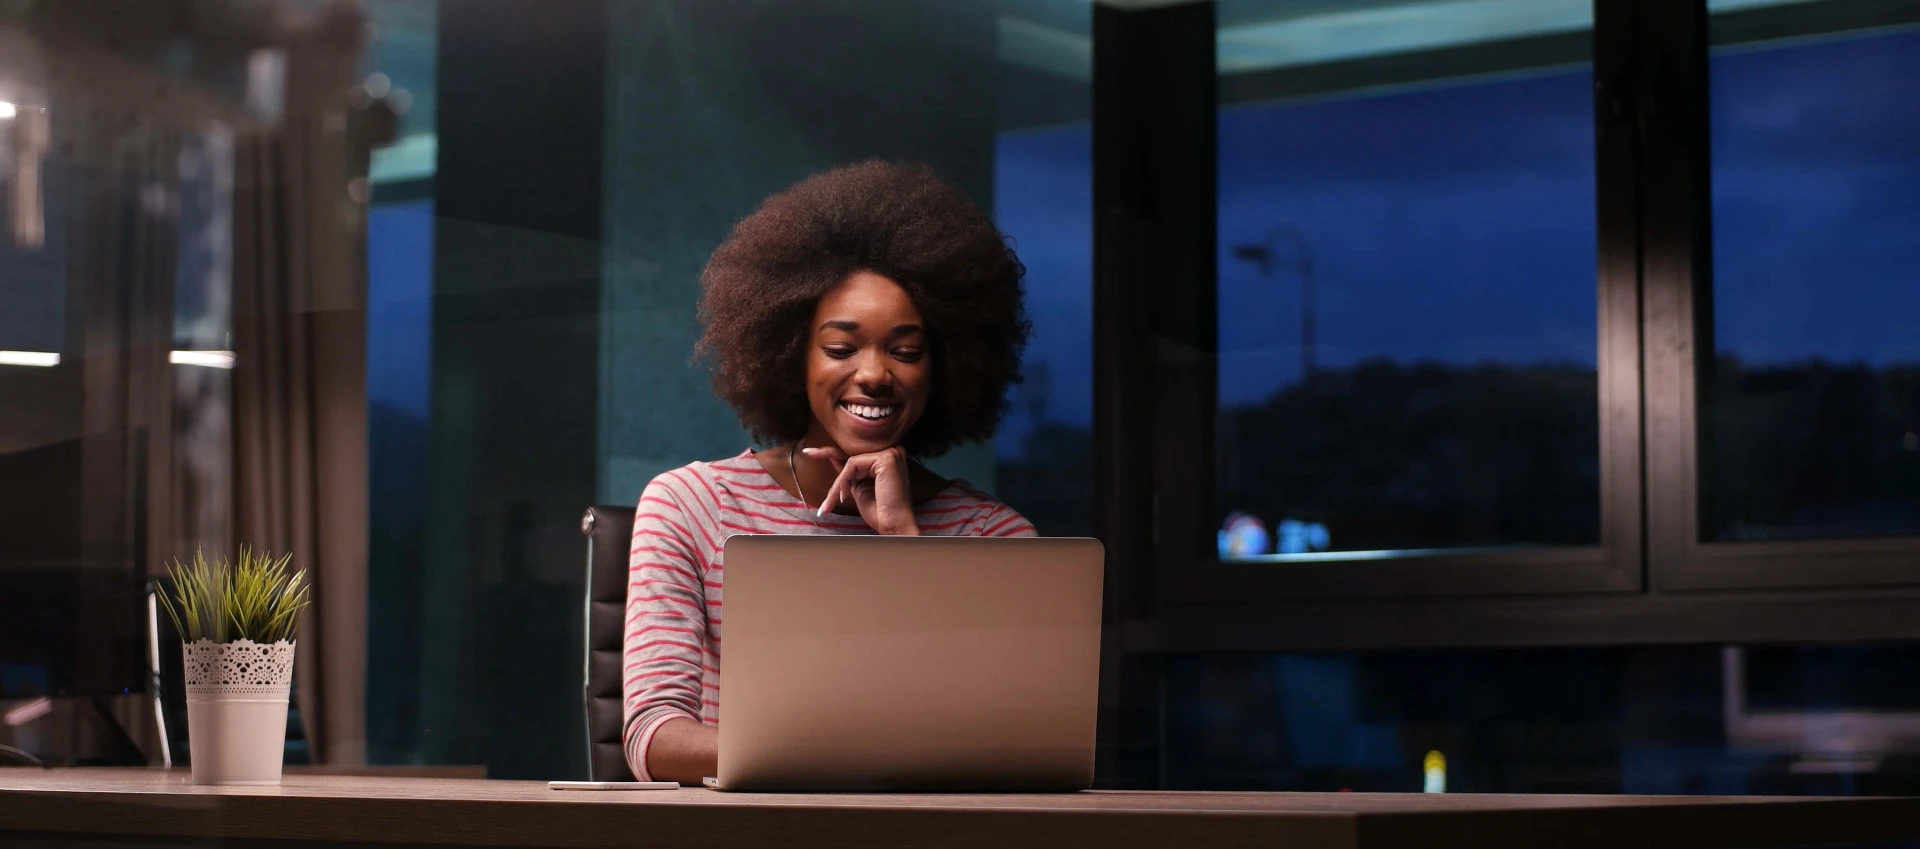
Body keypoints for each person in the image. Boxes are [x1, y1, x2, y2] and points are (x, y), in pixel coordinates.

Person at [621, 161, 1039, 784]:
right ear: (790, 355)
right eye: (841, 348)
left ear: (946, 365)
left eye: (906, 351)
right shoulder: (690, 505)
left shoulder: (993, 538)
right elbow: (654, 738)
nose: (874, 374)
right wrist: (856, 752)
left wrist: (902, 538)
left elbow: (1015, 739)